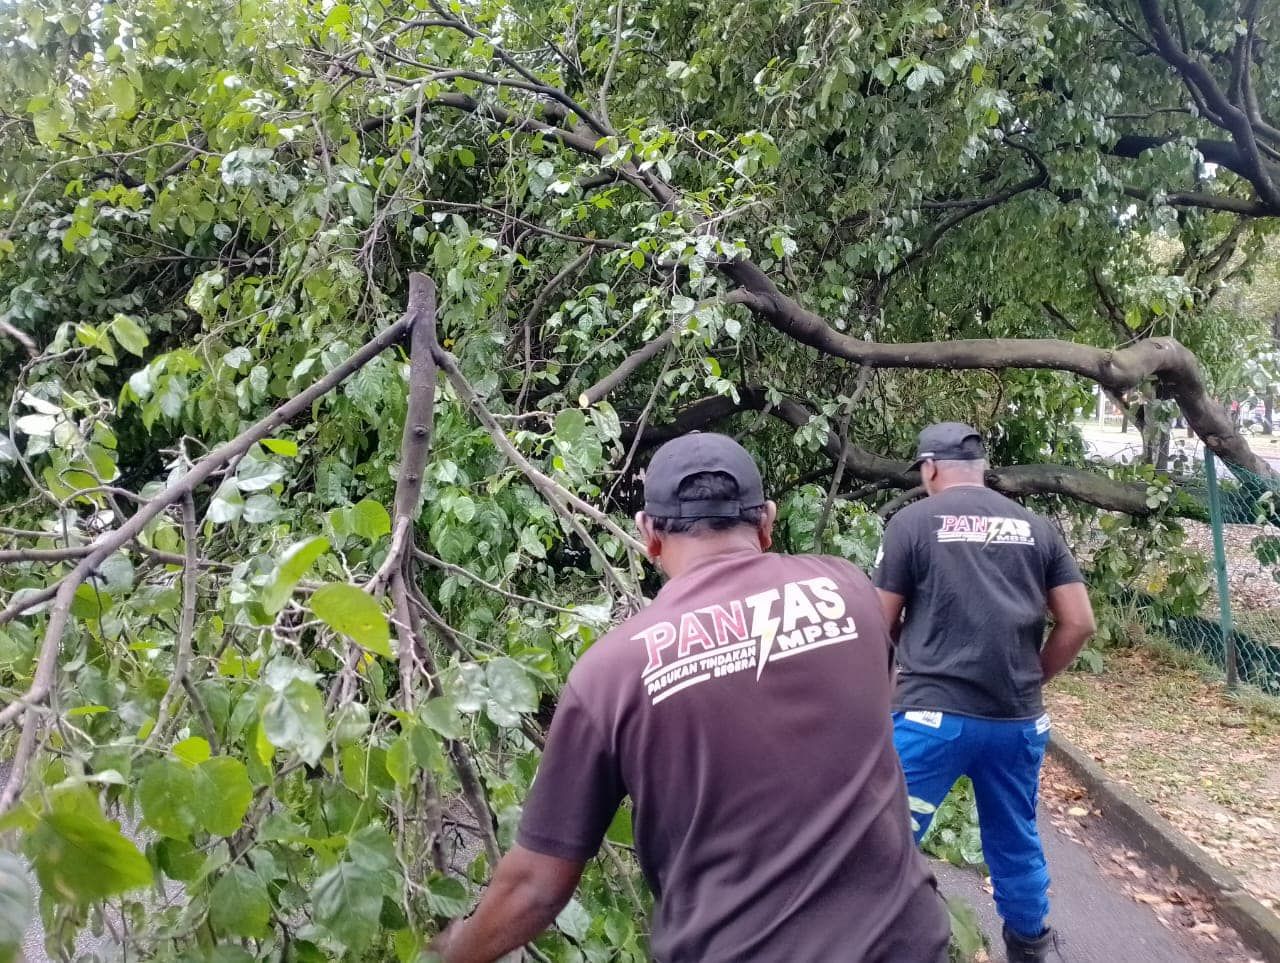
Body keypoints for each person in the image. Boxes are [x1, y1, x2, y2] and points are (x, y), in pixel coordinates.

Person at [430, 432, 950, 963]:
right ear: (766, 523)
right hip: (906, 941)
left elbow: (536, 887)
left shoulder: (612, 673)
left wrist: (453, 951)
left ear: (648, 535)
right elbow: (877, 704)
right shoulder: (850, 588)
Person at [874, 423, 1096, 963]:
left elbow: (877, 622)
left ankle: (879, 942)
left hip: (931, 719)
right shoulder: (1037, 529)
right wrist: (1032, 678)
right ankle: (1030, 946)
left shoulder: (912, 523)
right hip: (1016, 722)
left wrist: (884, 691)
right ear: (980, 470)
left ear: (929, 469)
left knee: (886, 839)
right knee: (1014, 838)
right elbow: (1079, 623)